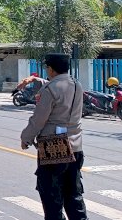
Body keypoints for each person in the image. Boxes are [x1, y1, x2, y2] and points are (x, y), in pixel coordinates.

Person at [20, 53, 87, 220]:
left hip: (54, 148)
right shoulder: (77, 85)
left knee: (51, 198)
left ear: (50, 69)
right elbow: (60, 89)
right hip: (76, 147)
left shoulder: (49, 90)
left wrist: (25, 138)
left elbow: (38, 120)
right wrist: (37, 81)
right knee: (74, 194)